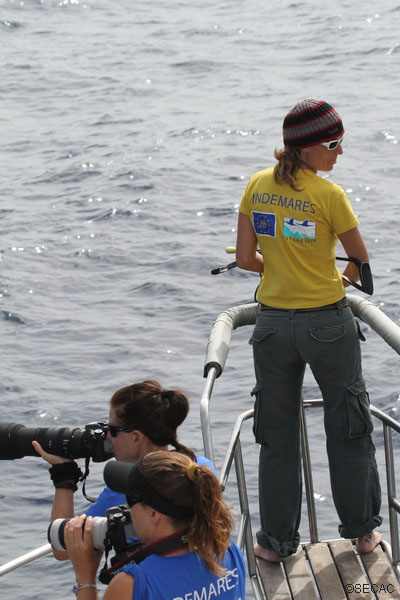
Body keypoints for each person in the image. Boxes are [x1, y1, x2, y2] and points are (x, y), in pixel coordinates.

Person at [236, 98, 382, 562]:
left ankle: (276, 544)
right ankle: (361, 534)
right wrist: (332, 280)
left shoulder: (257, 185)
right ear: (306, 149)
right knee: (349, 427)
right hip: (327, 324)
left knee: (276, 436)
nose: (339, 153)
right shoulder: (329, 195)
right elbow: (360, 264)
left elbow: (244, 260)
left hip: (273, 327)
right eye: (333, 144)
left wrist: (280, 273)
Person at [33, 380, 215, 559]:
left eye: (112, 429)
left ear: (137, 437)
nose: (107, 437)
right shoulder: (200, 468)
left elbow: (63, 548)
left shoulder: (124, 492)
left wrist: (63, 476)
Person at [63, 451, 246, 599]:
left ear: (153, 514)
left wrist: (85, 578)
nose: (126, 508)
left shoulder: (132, 584)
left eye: (130, 500)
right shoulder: (227, 550)